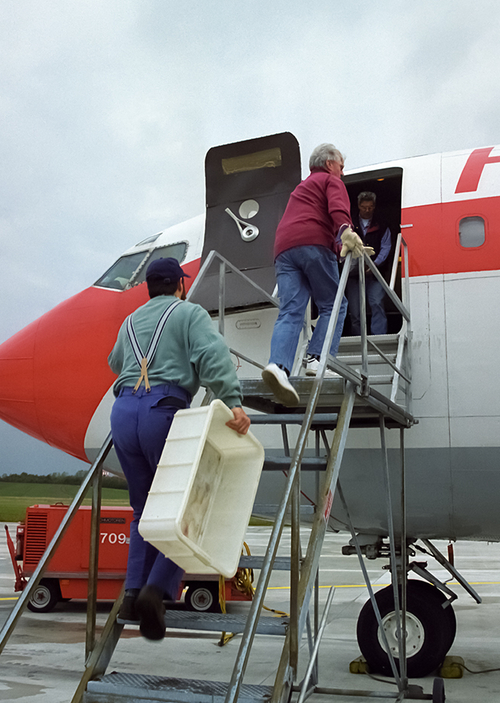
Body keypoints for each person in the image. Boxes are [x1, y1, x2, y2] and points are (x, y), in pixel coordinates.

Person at [108, 257, 251, 641]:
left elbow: (114, 362)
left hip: (123, 413)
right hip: (163, 410)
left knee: (143, 509)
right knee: (183, 508)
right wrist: (233, 400)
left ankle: (132, 592)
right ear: (180, 285)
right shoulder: (188, 313)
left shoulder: (129, 322)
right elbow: (212, 355)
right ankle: (156, 591)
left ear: (150, 287)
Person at [261, 143, 353, 406]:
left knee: (290, 311)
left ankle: (278, 366)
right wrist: (346, 230)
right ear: (328, 164)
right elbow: (337, 208)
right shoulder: (330, 181)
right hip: (313, 244)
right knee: (335, 304)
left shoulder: (301, 188)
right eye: (341, 167)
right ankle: (318, 359)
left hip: (283, 249)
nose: (343, 173)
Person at [347, 192, 392, 335]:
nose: (367, 210)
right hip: (354, 274)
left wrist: (375, 264)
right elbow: (341, 244)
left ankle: (379, 338)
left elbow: (386, 247)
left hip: (375, 273)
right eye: (364, 207)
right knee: (355, 311)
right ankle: (359, 339)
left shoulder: (382, 225)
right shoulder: (350, 225)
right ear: (359, 206)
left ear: (374, 207)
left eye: (370, 207)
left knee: (377, 303)